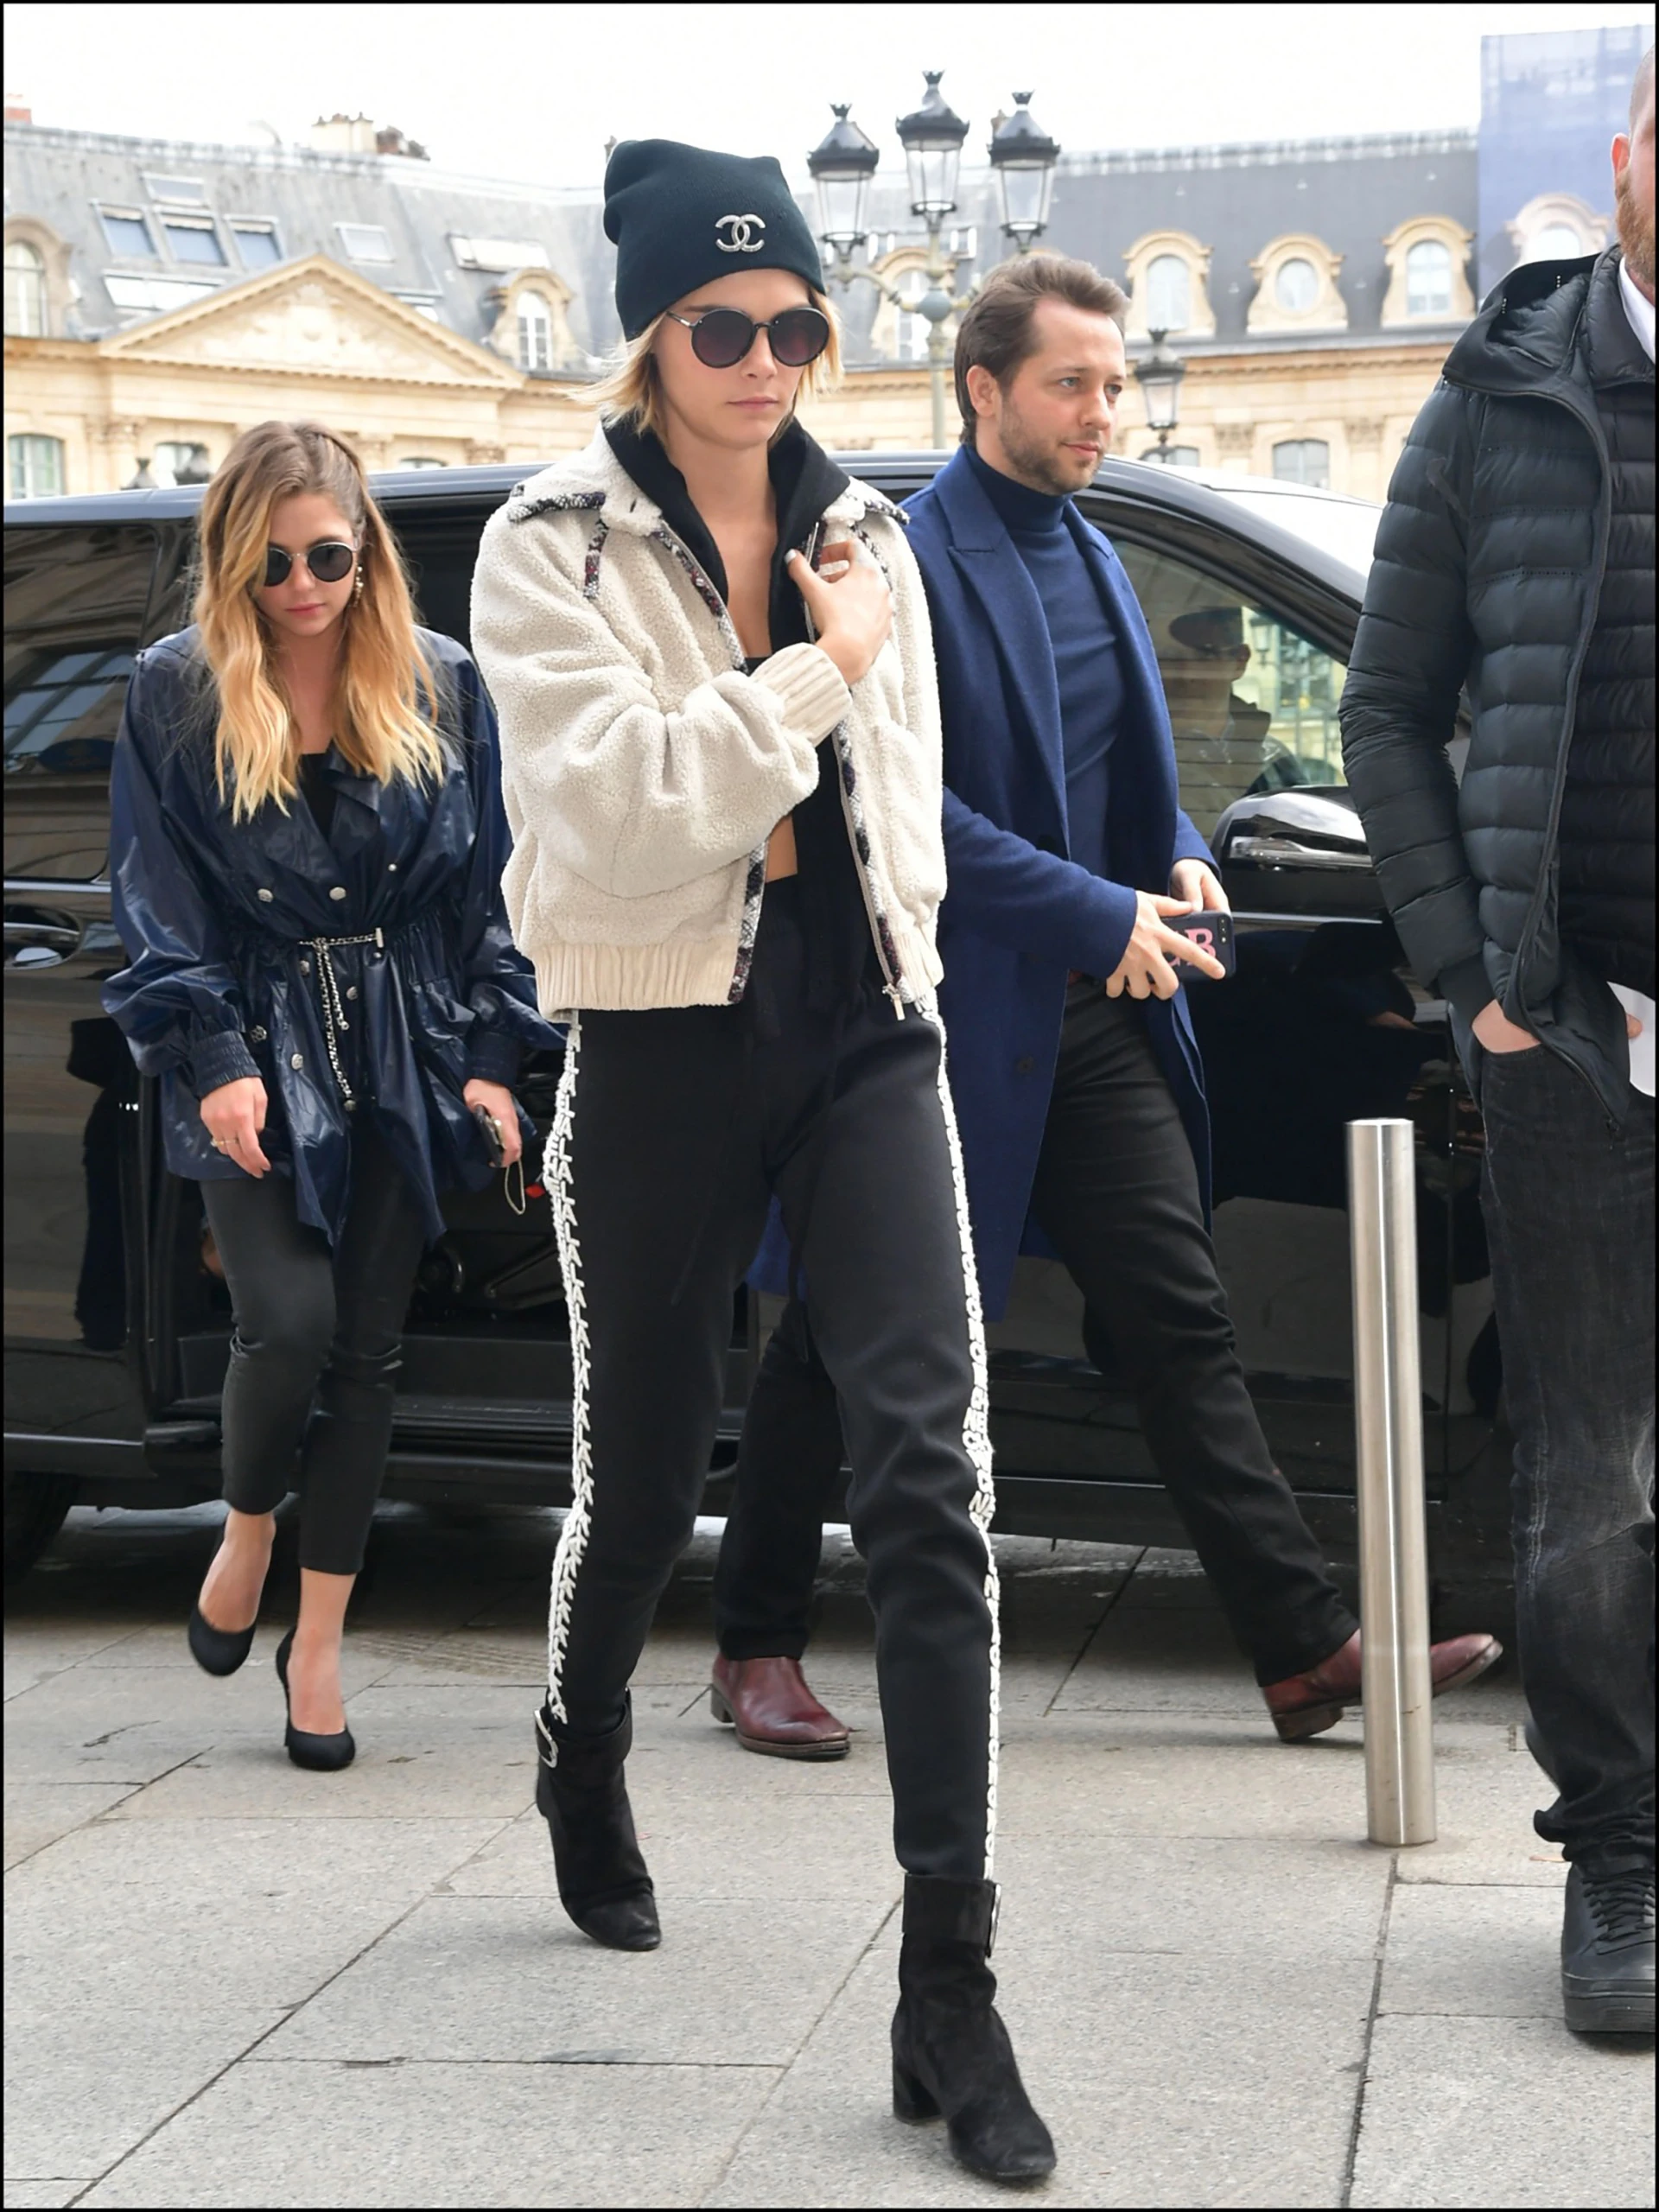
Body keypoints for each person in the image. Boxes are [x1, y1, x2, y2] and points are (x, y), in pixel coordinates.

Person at [469, 141, 1054, 2185]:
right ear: (649, 331)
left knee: (931, 1471)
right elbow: (622, 818)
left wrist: (837, 797)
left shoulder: (864, 529)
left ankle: (950, 1981)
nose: (766, 359)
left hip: (859, 1026)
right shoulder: (545, 547)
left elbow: (889, 817)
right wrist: (810, 675)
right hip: (653, 1035)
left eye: (798, 325)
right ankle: (582, 1744)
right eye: (724, 326)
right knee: (647, 1463)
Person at [713, 252, 1500, 1758]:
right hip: (923, 1016)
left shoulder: (1087, 552)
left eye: (1114, 383)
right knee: (834, 1329)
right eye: (1072, 383)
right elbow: (903, 812)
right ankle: (752, 1641)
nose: (1101, 410)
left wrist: (1183, 861)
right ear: (984, 388)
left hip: (1092, 1017)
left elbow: (1132, 790)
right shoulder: (903, 557)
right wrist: (1097, 908)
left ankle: (1300, 1648)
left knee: (1177, 1318)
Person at [1340, 48, 1655, 2037]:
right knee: (1590, 1473)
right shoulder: (1501, 390)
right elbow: (1384, 703)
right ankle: (1617, 1851)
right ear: (1632, 156)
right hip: (1579, 1030)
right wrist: (1474, 977)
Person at [105, 420, 551, 1770]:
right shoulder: (176, 688)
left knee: (370, 1356)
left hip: (405, 1043)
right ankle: (245, 1532)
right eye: (272, 565)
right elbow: (156, 900)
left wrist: (492, 1050)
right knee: (285, 1326)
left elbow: (499, 888)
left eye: (329, 558)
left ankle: (317, 1650)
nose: (302, 588)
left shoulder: (442, 682)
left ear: (368, 552)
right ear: (232, 563)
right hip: (247, 1034)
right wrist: (219, 1063)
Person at [1162, 604, 1301, 840]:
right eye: (1173, 660)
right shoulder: (1148, 755)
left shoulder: (1274, 759)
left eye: (1205, 656)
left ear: (1240, 660)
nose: (1187, 674)